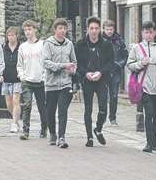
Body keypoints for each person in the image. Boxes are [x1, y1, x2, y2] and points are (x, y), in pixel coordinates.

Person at [128, 21, 156, 152]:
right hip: (144, 87)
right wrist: (141, 63)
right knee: (149, 113)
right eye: (146, 32)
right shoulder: (136, 48)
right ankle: (149, 143)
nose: (148, 35)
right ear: (142, 33)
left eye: (151, 32)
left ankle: (153, 139)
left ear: (155, 33)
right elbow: (130, 65)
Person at [39, 18, 77, 148]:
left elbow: (74, 61)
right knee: (50, 111)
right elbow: (46, 62)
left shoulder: (69, 44)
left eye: (64, 28)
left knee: (63, 111)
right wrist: (62, 65)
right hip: (51, 84)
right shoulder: (48, 44)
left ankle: (62, 137)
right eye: (60, 28)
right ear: (55, 30)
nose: (62, 31)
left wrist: (72, 69)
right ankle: (53, 134)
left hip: (65, 83)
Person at [75, 17, 113, 147]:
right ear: (87, 29)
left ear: (100, 29)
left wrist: (101, 72)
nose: (94, 31)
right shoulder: (80, 44)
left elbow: (110, 62)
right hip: (87, 80)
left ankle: (98, 129)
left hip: (101, 79)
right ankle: (89, 137)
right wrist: (85, 73)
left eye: (96, 28)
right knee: (88, 109)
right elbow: (77, 64)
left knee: (103, 107)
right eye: (91, 28)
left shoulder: (106, 44)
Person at [17, 20, 45, 139]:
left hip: (40, 80)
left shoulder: (42, 45)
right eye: (26, 30)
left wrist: (44, 77)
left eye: (30, 29)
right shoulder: (23, 47)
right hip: (27, 81)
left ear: (35, 30)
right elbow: (20, 64)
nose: (28, 32)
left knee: (42, 106)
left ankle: (44, 128)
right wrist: (22, 76)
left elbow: (46, 62)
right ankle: (26, 131)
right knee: (27, 105)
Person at [0, 26, 24, 139]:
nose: (10, 37)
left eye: (12, 35)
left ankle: (14, 124)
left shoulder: (21, 47)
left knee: (16, 101)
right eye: (8, 35)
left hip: (18, 79)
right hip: (6, 79)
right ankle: (16, 119)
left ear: (16, 36)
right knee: (9, 105)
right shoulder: (3, 47)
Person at [103, 19, 127, 124]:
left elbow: (125, 55)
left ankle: (112, 117)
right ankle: (102, 116)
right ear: (104, 29)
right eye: (107, 29)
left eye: (111, 29)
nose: (109, 31)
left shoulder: (119, 40)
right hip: (102, 72)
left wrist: (119, 64)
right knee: (103, 95)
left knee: (114, 95)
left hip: (115, 71)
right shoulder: (99, 40)